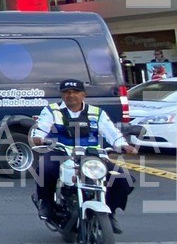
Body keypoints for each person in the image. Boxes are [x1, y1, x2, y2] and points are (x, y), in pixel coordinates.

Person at [31, 79, 137, 234]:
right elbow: (40, 130)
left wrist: (123, 145)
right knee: (44, 168)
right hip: (62, 154)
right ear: (62, 95)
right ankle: (46, 204)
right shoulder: (52, 111)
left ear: (83, 94)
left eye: (75, 92)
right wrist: (39, 138)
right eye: (67, 92)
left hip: (92, 157)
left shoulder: (97, 113)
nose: (71, 95)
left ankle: (109, 212)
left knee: (123, 179)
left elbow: (112, 133)